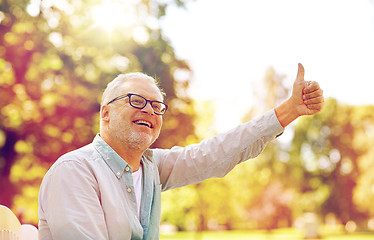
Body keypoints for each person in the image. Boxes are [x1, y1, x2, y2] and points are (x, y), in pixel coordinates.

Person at [38, 63, 324, 240]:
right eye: (137, 101)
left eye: (157, 106)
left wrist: (287, 111)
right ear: (106, 113)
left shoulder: (151, 166)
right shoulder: (74, 171)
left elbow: (217, 153)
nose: (149, 110)